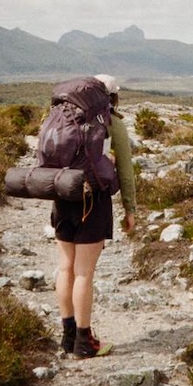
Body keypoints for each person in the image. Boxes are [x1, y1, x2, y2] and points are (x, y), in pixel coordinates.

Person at [53, 74, 137, 359]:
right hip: (94, 201)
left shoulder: (62, 116)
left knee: (66, 267)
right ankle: (84, 340)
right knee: (83, 273)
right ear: (112, 97)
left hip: (62, 195)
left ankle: (67, 336)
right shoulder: (113, 123)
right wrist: (130, 210)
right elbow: (125, 170)